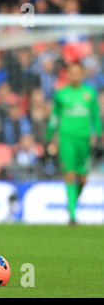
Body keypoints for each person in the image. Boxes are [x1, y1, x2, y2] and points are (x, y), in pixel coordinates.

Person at [45, 62, 102, 226]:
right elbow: (55, 116)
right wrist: (49, 136)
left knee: (83, 178)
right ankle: (72, 214)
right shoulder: (61, 94)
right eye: (72, 73)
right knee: (69, 175)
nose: (75, 76)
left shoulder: (89, 93)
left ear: (82, 74)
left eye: (78, 73)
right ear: (68, 74)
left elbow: (95, 117)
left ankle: (72, 204)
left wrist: (97, 135)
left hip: (84, 138)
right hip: (66, 138)